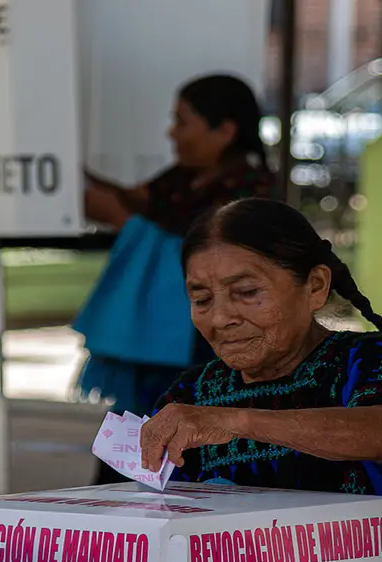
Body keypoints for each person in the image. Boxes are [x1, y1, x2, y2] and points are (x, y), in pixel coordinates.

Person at [139, 198, 382, 562]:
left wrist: (236, 421)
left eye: (245, 292)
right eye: (202, 299)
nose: (222, 318)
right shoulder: (193, 393)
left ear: (315, 286)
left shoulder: (371, 360)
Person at [72, 73, 278, 485]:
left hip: (196, 351)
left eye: (183, 122)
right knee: (130, 450)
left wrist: (118, 217)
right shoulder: (183, 178)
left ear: (225, 131)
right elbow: (133, 200)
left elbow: (135, 218)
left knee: (183, 449)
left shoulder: (248, 191)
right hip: (157, 353)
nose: (172, 133)